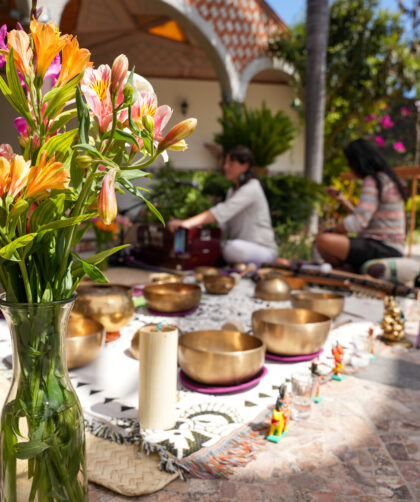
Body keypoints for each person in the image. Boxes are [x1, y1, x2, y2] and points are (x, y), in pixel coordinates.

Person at [168, 145, 278, 266]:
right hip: (243, 249)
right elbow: (223, 225)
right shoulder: (232, 192)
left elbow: (222, 211)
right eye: (225, 163)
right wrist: (201, 230)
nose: (225, 167)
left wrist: (186, 223)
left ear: (245, 166)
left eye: (231, 163)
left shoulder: (252, 187)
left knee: (232, 248)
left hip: (263, 251)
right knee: (212, 245)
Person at [316, 138, 407, 271]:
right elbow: (363, 218)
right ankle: (349, 268)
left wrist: (332, 231)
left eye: (349, 164)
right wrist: (342, 200)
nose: (349, 168)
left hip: (383, 247)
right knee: (329, 240)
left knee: (323, 241)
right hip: (390, 248)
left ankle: (347, 268)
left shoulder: (373, 181)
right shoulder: (385, 179)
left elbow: (357, 222)